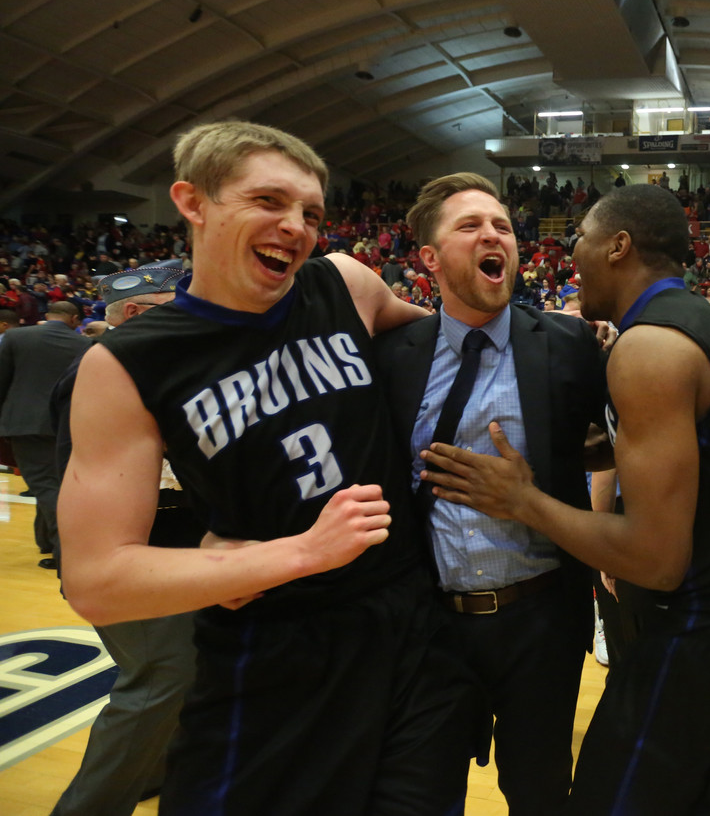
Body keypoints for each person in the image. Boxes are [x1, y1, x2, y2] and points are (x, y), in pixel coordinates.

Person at [57, 120, 476, 815]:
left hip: (410, 628)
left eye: (311, 212)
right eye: (269, 202)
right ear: (192, 202)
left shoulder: (344, 283)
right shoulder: (127, 363)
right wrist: (294, 553)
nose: (296, 226)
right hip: (275, 646)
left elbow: (451, 341)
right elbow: (96, 580)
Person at [420, 183, 710, 814]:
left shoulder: (649, 346)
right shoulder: (693, 316)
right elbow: (687, 451)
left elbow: (657, 560)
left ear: (618, 247)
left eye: (582, 239)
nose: (571, 253)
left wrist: (523, 499)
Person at [373, 172, 608, 814]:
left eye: (501, 225)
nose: (493, 234)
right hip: (433, 622)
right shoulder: (392, 355)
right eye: (470, 226)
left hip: (541, 617)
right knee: (422, 793)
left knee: (537, 791)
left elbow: (630, 444)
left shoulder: (569, 343)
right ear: (429, 257)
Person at [50, 264, 206, 816]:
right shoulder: (102, 372)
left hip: (173, 547)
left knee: (186, 671)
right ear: (136, 313)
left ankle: (150, 772)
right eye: (176, 305)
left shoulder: (158, 365)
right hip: (125, 556)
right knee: (161, 674)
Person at [0, 299, 89, 566]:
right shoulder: (86, 344)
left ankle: (69, 552)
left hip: (24, 423)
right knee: (54, 482)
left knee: (46, 485)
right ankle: (47, 542)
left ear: (47, 315)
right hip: (70, 424)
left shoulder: (16, 336)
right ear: (74, 320)